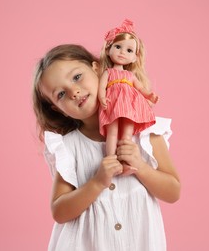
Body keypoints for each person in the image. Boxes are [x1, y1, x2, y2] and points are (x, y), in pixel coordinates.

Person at [32, 44, 180, 250]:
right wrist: (96, 183)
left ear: (98, 69)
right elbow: (59, 211)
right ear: (59, 110)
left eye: (77, 77)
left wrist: (141, 166)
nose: (74, 92)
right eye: (61, 95)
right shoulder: (70, 147)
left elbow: (173, 192)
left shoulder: (145, 132)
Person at [99, 19, 159, 162]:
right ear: (108, 49)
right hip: (113, 104)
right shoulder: (108, 72)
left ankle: (125, 161)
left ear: (134, 58)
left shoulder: (130, 75)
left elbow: (140, 88)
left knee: (127, 134)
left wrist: (149, 95)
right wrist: (102, 98)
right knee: (112, 132)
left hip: (130, 107)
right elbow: (101, 87)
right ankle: (111, 159)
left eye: (129, 50)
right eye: (118, 47)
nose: (122, 52)